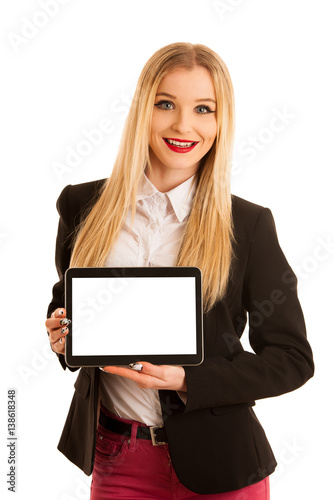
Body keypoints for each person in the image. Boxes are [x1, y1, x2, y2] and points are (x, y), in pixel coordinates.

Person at [45, 42, 314, 499]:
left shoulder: (247, 224)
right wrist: (61, 334)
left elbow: (291, 359)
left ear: (220, 121)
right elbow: (68, 303)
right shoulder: (81, 205)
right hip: (118, 461)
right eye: (165, 104)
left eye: (203, 109)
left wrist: (189, 379)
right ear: (141, 109)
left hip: (222, 465)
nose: (183, 125)